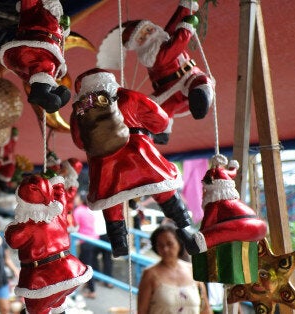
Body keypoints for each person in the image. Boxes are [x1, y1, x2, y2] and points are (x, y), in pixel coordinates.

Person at [70, 68, 203, 257]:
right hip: (141, 158)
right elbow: (161, 121)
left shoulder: (80, 111)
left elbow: (79, 142)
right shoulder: (127, 96)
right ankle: (185, 228)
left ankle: (119, 242)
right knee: (164, 191)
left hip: (105, 166)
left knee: (112, 201)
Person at [97, 0, 213, 144]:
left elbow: (171, 28)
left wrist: (185, 7)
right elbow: (177, 43)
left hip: (189, 76)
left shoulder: (160, 39)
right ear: (138, 47)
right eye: (141, 38)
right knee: (154, 106)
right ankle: (161, 130)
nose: (147, 37)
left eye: (147, 31)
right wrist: (187, 28)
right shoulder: (158, 55)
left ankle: (202, 97)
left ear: (152, 27)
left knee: (200, 82)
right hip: (169, 90)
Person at [5, 175, 92, 314]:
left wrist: (16, 223)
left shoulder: (25, 226)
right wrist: (54, 182)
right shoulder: (58, 211)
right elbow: (60, 192)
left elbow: (13, 241)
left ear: (23, 203)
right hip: (69, 271)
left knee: (35, 309)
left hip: (43, 278)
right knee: (57, 304)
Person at [0, 0, 71, 113]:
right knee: (45, 64)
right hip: (32, 46)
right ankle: (40, 92)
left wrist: (64, 27)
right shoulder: (36, 5)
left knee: (48, 66)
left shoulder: (55, 13)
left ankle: (48, 89)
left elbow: (63, 32)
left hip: (47, 47)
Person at [137, 223, 211, 314]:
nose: (165, 249)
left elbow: (205, 309)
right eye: (160, 245)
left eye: (170, 243)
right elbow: (141, 311)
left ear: (179, 244)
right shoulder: (150, 274)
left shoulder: (193, 270)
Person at [72, 193, 99, 298]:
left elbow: (75, 227)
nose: (75, 199)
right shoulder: (88, 210)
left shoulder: (78, 211)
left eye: (77, 198)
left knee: (85, 267)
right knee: (87, 264)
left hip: (85, 241)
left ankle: (92, 291)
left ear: (80, 200)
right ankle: (86, 285)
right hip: (94, 239)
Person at [93, 203, 114, 289]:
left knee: (94, 257)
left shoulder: (89, 208)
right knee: (107, 259)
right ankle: (106, 280)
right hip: (104, 234)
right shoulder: (106, 205)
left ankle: (99, 278)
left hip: (96, 235)